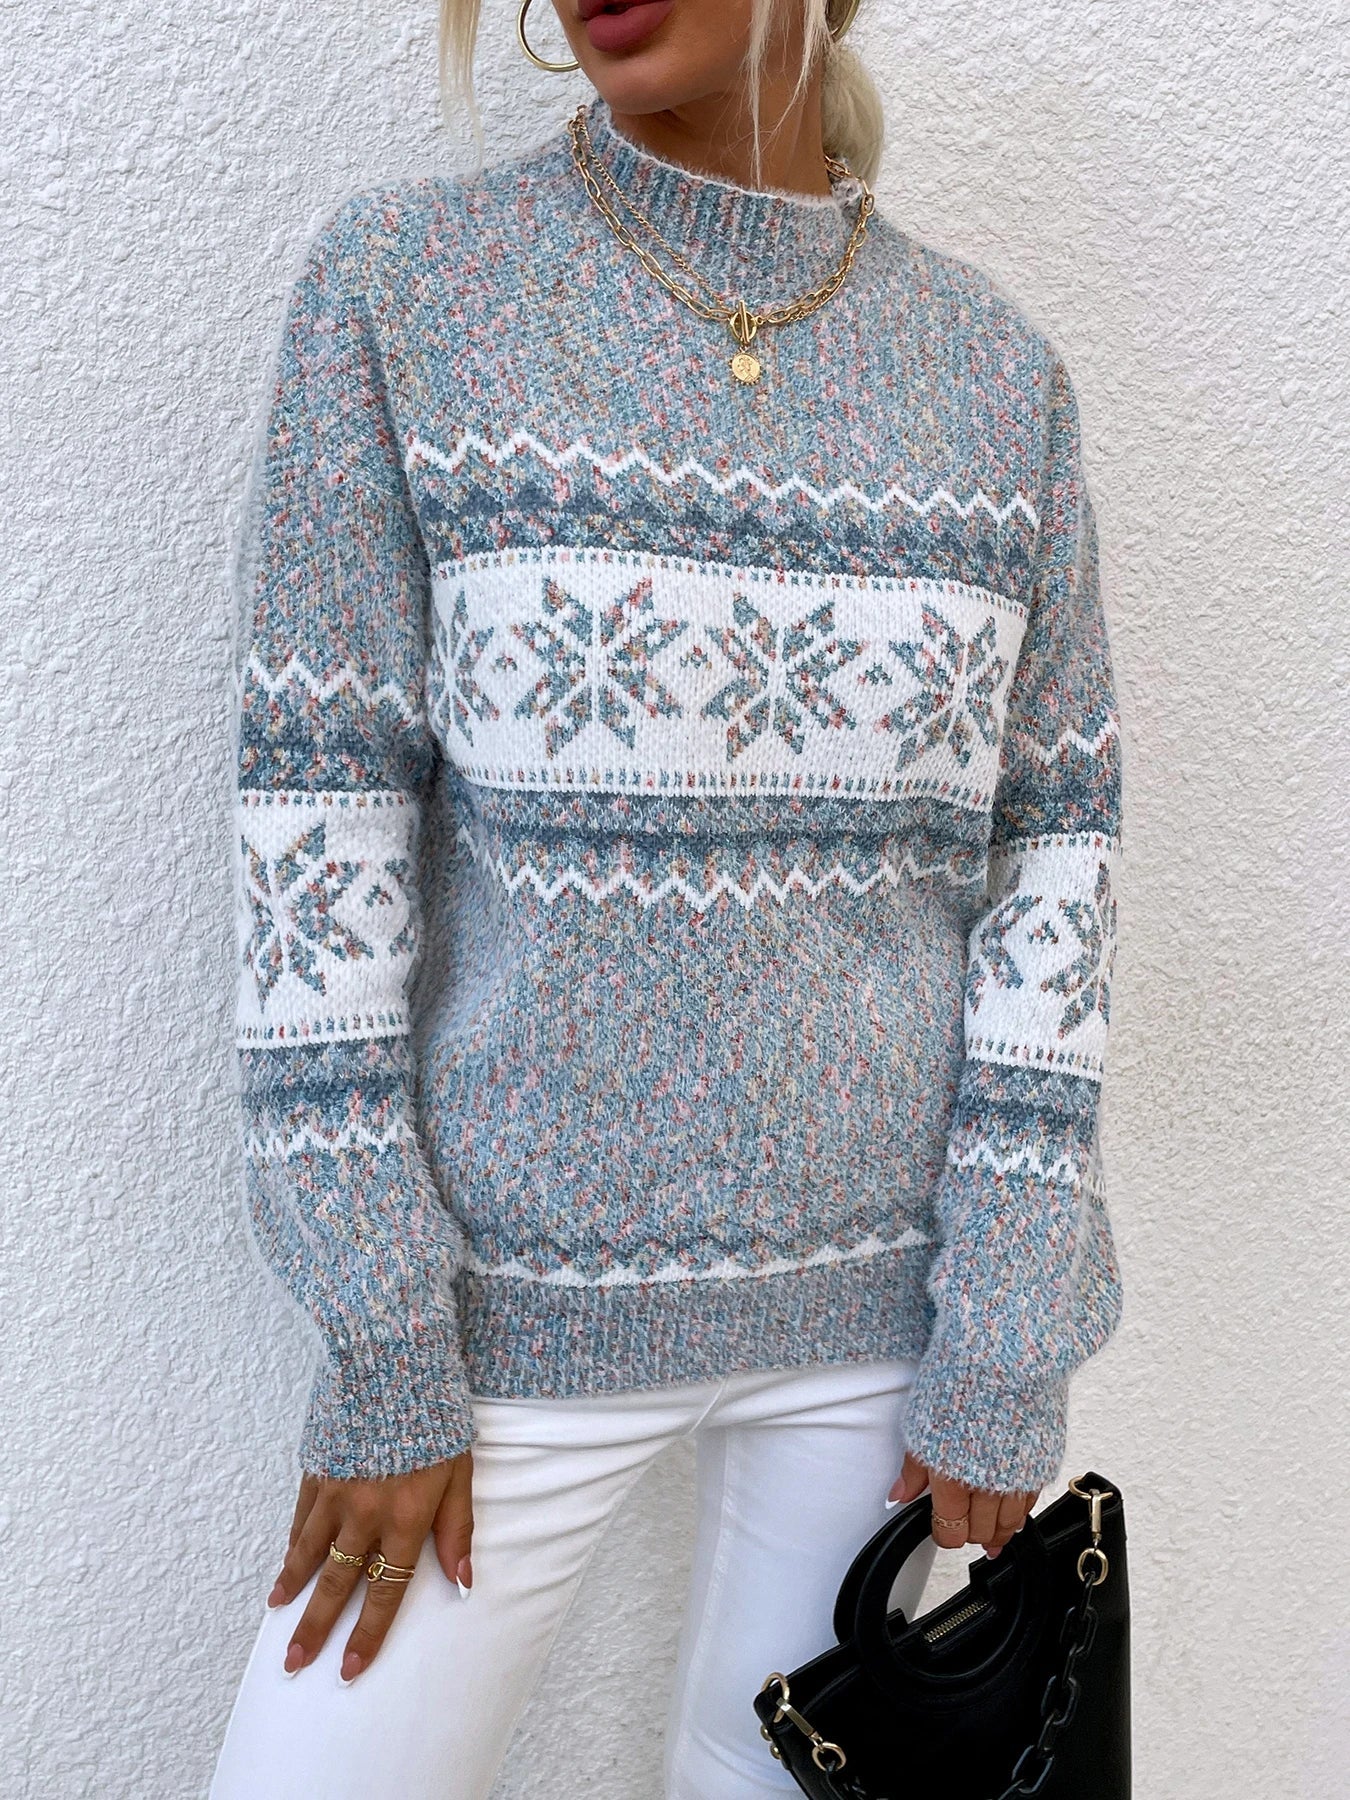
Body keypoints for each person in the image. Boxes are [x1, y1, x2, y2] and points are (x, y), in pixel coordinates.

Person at [210, 0, 1126, 1793]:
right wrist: (383, 1329)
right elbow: (316, 810)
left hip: (886, 1332)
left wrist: (1010, 1324)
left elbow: (1055, 852)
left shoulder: (995, 373)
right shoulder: (411, 287)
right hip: (500, 1312)